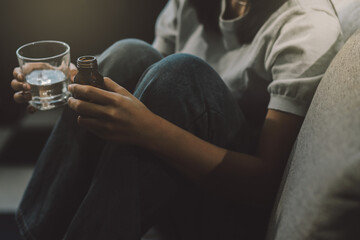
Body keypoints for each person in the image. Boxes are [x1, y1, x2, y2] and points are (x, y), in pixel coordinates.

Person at [10, 0, 343, 239]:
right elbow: (145, 78)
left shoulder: (306, 26)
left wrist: (148, 130)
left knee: (182, 72)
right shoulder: (193, 5)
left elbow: (264, 185)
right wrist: (72, 84)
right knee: (130, 53)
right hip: (167, 184)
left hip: (232, 206)